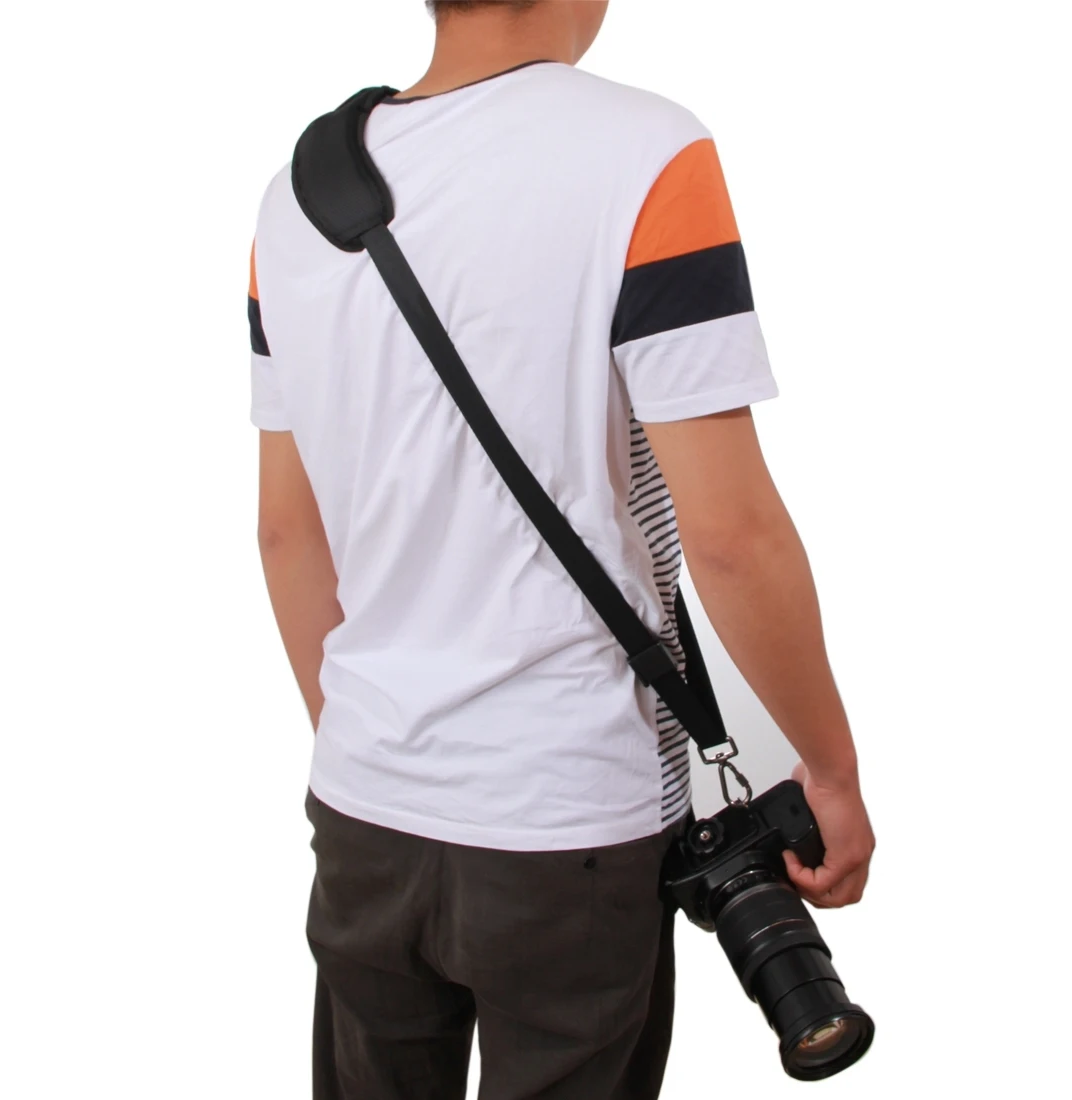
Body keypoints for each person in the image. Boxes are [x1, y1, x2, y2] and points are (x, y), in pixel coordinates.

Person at [248, 1, 875, 1096]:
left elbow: (285, 532)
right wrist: (828, 768)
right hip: (568, 820)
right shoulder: (647, 154)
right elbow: (730, 534)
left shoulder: (297, 199)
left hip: (364, 809)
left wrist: (386, 743)